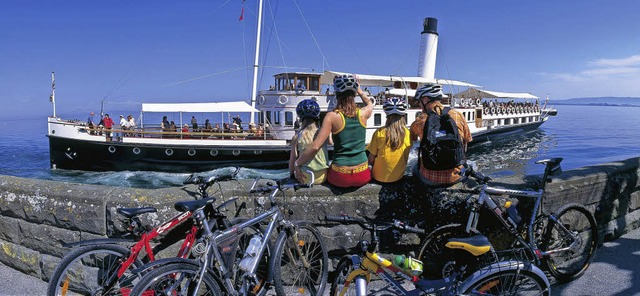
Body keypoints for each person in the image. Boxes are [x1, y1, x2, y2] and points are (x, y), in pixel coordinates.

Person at [293, 74, 373, 188]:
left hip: (340, 176)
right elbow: (369, 103)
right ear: (354, 93)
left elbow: (315, 146)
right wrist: (359, 89)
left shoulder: (331, 117)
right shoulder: (363, 113)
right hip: (362, 174)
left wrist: (297, 163)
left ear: (337, 94)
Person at [410, 83, 472, 186]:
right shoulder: (458, 115)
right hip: (456, 176)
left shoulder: (419, 121)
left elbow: (412, 139)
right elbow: (467, 141)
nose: (419, 105)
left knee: (414, 167)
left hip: (430, 178)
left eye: (419, 101)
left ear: (425, 99)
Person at [367, 97, 412, 183]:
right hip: (398, 177)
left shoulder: (379, 133)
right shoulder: (408, 133)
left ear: (387, 115)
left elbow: (371, 159)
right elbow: (405, 157)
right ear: (402, 116)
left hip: (378, 177)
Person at [289, 100, 329, 185]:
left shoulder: (297, 137)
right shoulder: (322, 134)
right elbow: (331, 142)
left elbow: (293, 159)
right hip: (323, 176)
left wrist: (291, 175)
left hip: (305, 177)